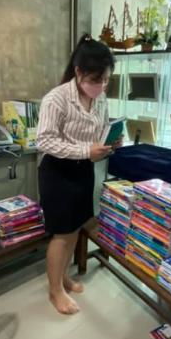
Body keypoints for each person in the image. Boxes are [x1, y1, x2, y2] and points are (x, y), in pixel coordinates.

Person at [36, 34, 118, 315]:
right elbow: (44, 141)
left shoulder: (101, 98)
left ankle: (62, 277)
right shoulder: (56, 99)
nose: (102, 86)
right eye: (96, 80)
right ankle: (54, 291)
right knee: (61, 234)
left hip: (84, 171)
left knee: (74, 230)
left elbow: (100, 130)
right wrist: (86, 150)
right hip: (57, 173)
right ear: (79, 71)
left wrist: (110, 142)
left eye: (106, 80)